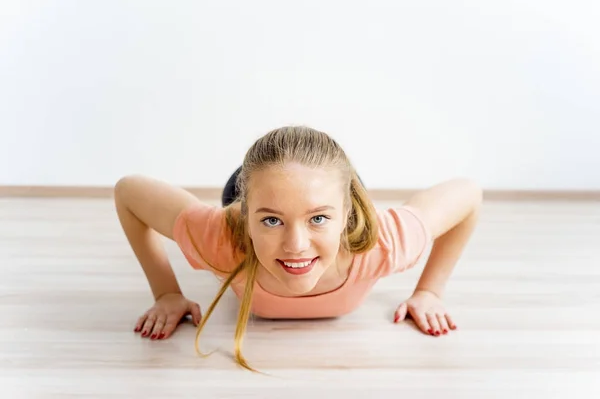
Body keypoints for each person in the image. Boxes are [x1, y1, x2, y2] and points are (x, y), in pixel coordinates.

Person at [113, 126, 482, 371]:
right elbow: (129, 191)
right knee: (287, 201)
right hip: (247, 193)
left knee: (303, 202)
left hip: (331, 201)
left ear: (347, 213)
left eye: (318, 220)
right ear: (245, 217)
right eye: (272, 222)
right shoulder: (221, 237)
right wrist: (166, 293)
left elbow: (468, 193)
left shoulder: (384, 243)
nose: (296, 246)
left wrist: (430, 291)